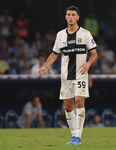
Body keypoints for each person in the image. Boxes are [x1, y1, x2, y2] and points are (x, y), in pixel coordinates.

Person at [38, 6, 98, 145]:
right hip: (66, 76)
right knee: (69, 107)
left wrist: (88, 64)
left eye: (73, 15)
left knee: (79, 101)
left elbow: (94, 54)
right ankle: (73, 136)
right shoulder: (60, 35)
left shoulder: (85, 34)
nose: (70, 17)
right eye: (68, 15)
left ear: (78, 17)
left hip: (80, 74)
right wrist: (44, 67)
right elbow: (54, 54)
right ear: (66, 17)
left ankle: (78, 136)